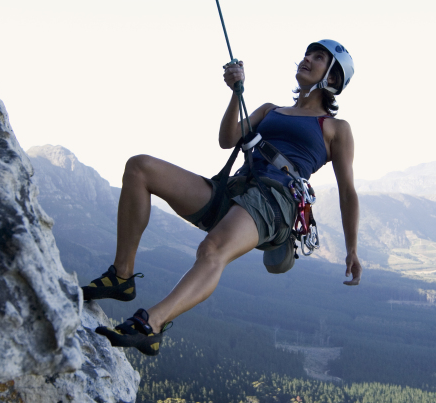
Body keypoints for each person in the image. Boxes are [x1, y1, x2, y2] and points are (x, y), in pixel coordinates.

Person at [87, 40, 362, 355]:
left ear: (334, 79)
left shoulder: (336, 129)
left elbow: (347, 192)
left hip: (274, 202)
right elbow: (227, 139)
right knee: (139, 168)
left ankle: (152, 323)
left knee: (213, 249)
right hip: (236, 189)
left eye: (318, 58)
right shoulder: (270, 110)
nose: (306, 59)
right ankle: (122, 275)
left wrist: (352, 249)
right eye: (307, 54)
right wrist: (236, 91)